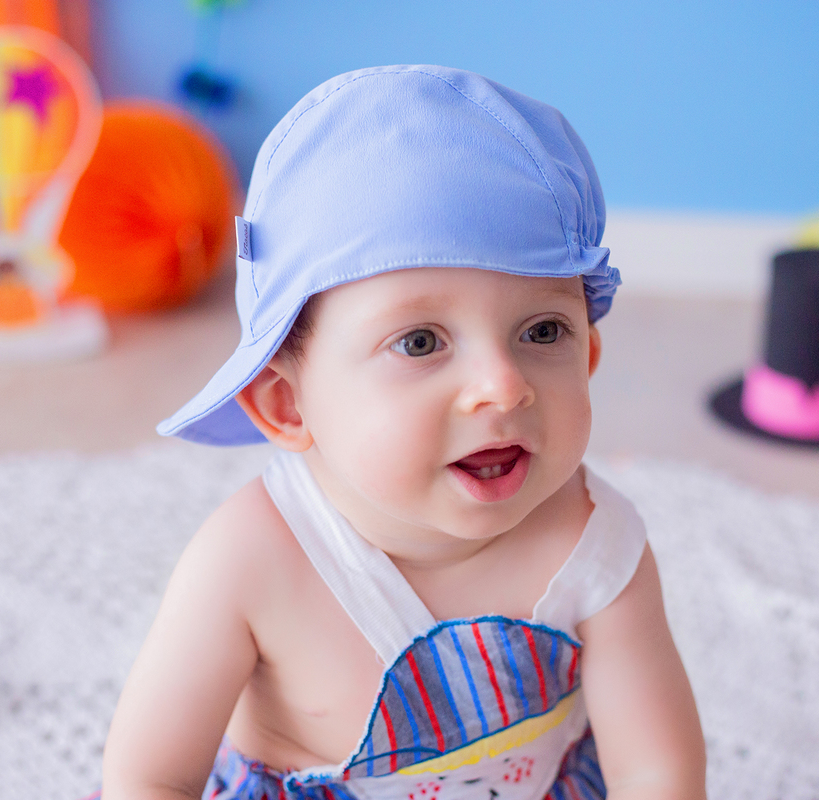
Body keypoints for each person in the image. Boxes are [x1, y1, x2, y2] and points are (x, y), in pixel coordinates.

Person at [98, 64, 705, 800]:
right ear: (289, 405)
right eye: (420, 342)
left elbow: (655, 770)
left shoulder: (593, 543)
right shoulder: (250, 560)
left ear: (591, 355)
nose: (503, 385)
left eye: (543, 331)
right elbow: (152, 779)